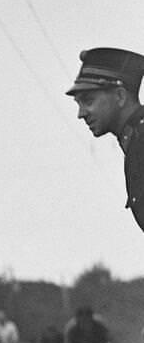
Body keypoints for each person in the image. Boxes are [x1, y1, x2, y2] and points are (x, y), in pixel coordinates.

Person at [65, 46, 144, 233]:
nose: (81, 113)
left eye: (89, 101)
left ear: (120, 96)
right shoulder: (135, 141)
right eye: (79, 104)